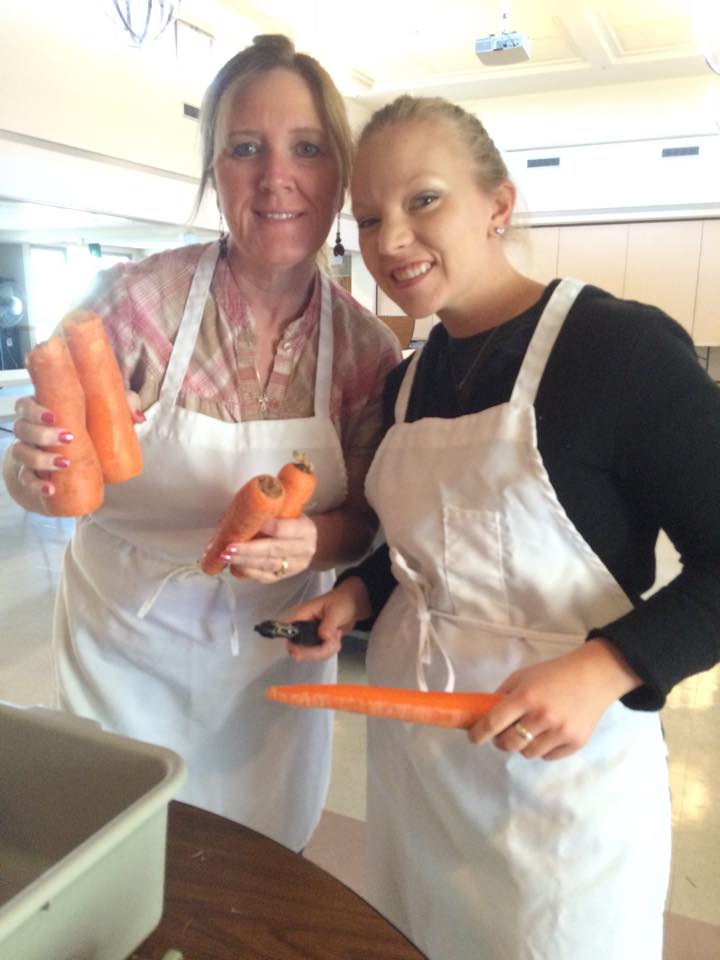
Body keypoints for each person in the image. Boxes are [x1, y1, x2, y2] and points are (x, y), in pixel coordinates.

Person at [290, 94, 720, 958]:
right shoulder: (407, 381)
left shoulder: (619, 351)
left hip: (561, 781)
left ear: (499, 205)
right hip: (419, 771)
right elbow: (431, 546)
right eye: (368, 218)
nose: (391, 240)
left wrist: (609, 665)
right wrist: (359, 593)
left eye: (424, 200)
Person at [2, 35, 400, 852]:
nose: (275, 177)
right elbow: (45, 474)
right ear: (215, 172)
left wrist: (312, 540)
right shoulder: (136, 302)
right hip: (123, 645)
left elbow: (364, 523)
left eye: (307, 148)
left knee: (260, 864)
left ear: (339, 174)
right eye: (245, 148)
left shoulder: (367, 352)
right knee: (123, 849)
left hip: (271, 657)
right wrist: (30, 463)